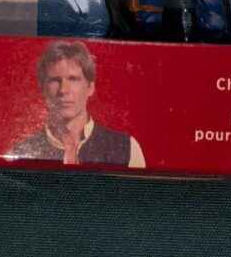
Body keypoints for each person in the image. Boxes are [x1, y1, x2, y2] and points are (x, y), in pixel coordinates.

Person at [12, 41, 145, 168]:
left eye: (73, 79)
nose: (63, 90)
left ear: (90, 87)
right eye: (55, 80)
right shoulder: (19, 153)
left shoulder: (127, 148)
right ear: (43, 89)